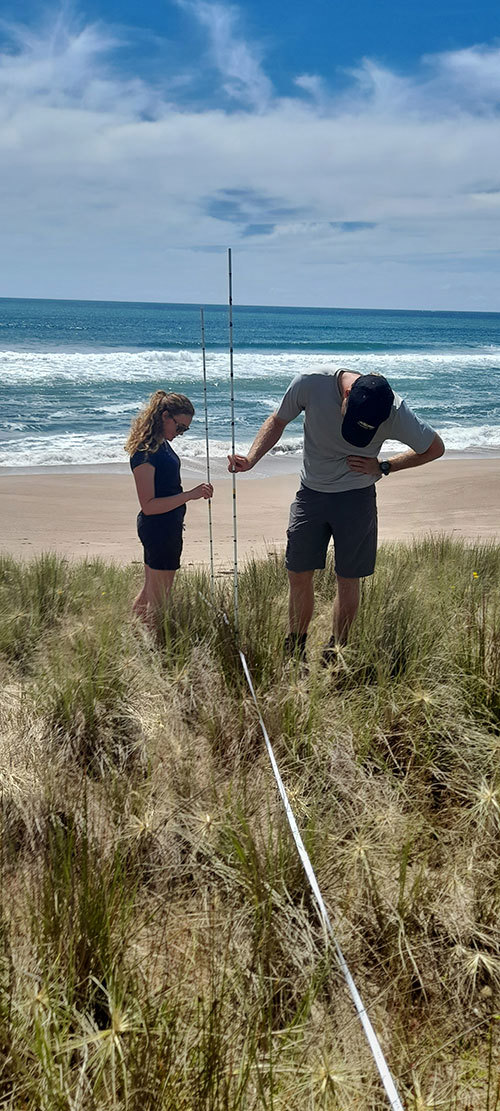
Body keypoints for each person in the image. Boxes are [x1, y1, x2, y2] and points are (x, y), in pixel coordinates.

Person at [228, 369, 444, 662]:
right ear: (346, 394)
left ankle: (336, 651)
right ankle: (295, 649)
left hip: (357, 499)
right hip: (311, 494)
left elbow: (434, 447)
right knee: (298, 572)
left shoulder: (394, 409)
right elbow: (278, 420)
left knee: (348, 578)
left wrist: (385, 466)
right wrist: (251, 459)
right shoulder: (310, 384)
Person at [125, 390, 213, 629]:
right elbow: (149, 505)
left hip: (166, 528)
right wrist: (190, 495)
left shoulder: (160, 445)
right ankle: (154, 649)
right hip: (158, 529)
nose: (181, 433)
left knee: (149, 592)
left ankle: (133, 638)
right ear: (165, 416)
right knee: (160, 599)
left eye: (186, 429)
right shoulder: (145, 452)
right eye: (180, 426)